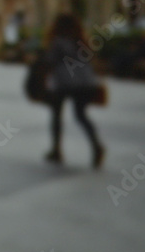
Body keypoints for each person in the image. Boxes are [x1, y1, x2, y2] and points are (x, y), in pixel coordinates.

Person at [42, 13, 106, 168]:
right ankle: (96, 145)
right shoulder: (81, 41)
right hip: (85, 84)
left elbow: (50, 61)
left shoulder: (58, 41)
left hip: (64, 83)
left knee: (56, 114)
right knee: (81, 115)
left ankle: (56, 149)